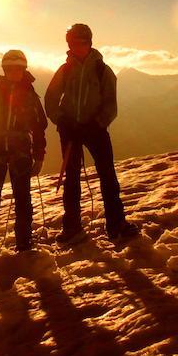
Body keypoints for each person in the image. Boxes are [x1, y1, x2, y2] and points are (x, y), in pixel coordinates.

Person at [44, 24, 138, 244]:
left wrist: (96, 124)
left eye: (79, 43)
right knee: (73, 179)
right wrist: (62, 120)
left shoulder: (102, 70)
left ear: (88, 42)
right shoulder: (65, 70)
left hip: (94, 129)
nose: (74, 47)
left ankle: (115, 224)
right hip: (70, 130)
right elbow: (50, 99)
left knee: (107, 176)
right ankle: (74, 228)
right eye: (71, 44)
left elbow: (110, 105)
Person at [0, 49, 47, 254]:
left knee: (22, 198)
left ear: (23, 70)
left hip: (18, 154)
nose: (14, 72)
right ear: (5, 70)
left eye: (18, 69)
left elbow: (39, 127)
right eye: (11, 69)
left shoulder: (29, 96)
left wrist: (39, 154)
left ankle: (22, 240)